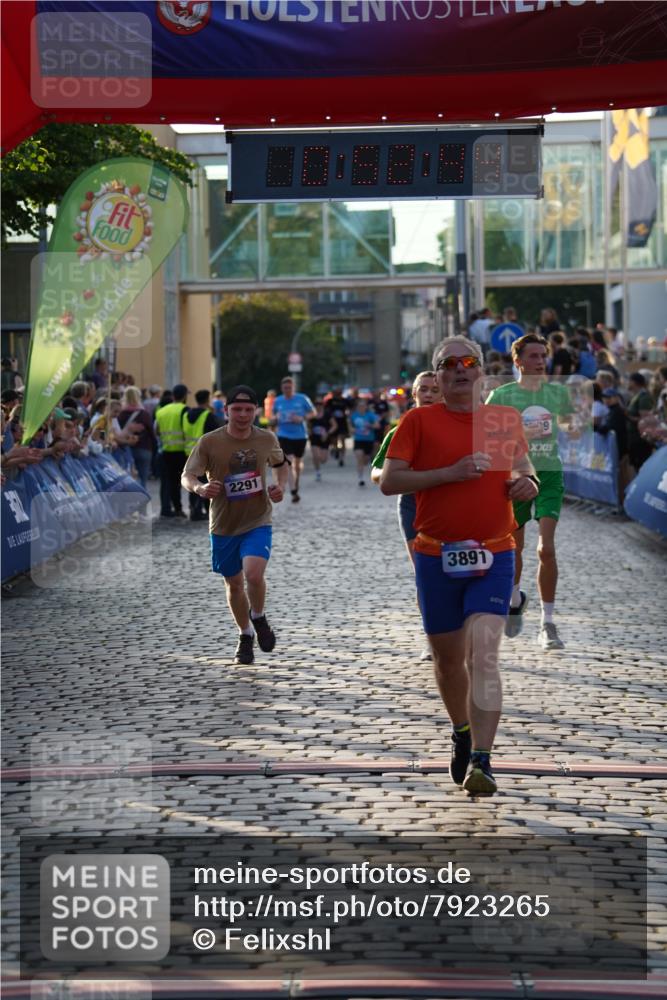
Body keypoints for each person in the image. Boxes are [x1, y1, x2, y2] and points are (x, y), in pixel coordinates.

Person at [380, 336, 537, 796]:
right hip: (435, 555)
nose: (459, 369)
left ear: (482, 371)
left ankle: (483, 762)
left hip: (494, 552)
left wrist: (524, 483)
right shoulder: (418, 421)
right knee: (450, 664)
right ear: (439, 374)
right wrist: (449, 473)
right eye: (448, 364)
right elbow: (390, 481)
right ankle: (462, 732)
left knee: (485, 653)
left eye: (469, 362)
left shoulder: (502, 420)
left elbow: (522, 468)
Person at [181, 385, 288, 665]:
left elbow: (281, 463)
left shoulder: (266, 438)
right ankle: (245, 634)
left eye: (248, 410)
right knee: (234, 584)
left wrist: (281, 486)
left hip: (258, 519)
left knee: (253, 575)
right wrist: (200, 488)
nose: (242, 415)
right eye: (237, 409)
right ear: (226, 411)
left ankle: (259, 615)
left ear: (256, 411)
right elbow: (187, 475)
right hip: (223, 524)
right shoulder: (210, 441)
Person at [486, 333, 576, 652]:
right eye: (534, 356)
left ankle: (547, 623)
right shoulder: (501, 395)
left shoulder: (556, 393)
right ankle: (514, 600)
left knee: (545, 550)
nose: (540, 361)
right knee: (515, 548)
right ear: (518, 360)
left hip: (549, 474)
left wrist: (573, 423)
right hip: (515, 476)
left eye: (543, 356)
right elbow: (487, 434)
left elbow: (572, 427)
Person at [371, 370, 442, 661]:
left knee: (454, 572)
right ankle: (433, 638)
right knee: (425, 575)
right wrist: (389, 476)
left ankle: (459, 631)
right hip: (412, 505)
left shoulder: (458, 427)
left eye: (434, 390)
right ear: (414, 395)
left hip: (446, 505)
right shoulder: (400, 430)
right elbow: (377, 471)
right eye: (423, 389)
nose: (428, 394)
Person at [271, 376, 316, 503]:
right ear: (282, 388)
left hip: (300, 436)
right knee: (288, 462)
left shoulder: (302, 398)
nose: (287, 390)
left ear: (293, 388)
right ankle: (293, 490)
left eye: (289, 388)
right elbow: (272, 416)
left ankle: (296, 482)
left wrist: (303, 418)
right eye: (285, 388)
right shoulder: (278, 401)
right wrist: (275, 417)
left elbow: (314, 412)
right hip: (284, 435)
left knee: (297, 463)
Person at [183, 389, 220, 520]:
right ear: (207, 399)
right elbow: (216, 433)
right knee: (205, 482)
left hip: (188, 451)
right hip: (205, 454)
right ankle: (204, 510)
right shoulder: (207, 415)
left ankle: (193, 509)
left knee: (192, 480)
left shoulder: (186, 414)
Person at [154, 383, 189, 518]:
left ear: (173, 395)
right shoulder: (185, 410)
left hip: (166, 451)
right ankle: (178, 508)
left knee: (167, 481)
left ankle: (166, 509)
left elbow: (156, 430)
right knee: (180, 482)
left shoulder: (161, 411)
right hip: (181, 452)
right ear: (184, 396)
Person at [118, 386, 156, 489]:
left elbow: (117, 431)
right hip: (144, 449)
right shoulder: (144, 414)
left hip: (125, 448)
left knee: (128, 478)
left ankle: (131, 499)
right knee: (142, 478)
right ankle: (141, 500)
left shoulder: (120, 414)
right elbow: (151, 433)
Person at [626, 372, 654, 472]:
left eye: (629, 381)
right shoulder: (636, 395)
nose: (627, 383)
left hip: (640, 440)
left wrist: (626, 415)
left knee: (641, 467)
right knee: (635, 466)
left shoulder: (644, 396)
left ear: (634, 382)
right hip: (634, 438)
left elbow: (646, 420)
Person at [350, 397, 380, 486]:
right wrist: (352, 430)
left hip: (369, 440)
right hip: (358, 440)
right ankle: (361, 478)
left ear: (366, 407)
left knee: (365, 461)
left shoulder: (370, 415)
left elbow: (377, 425)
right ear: (357, 407)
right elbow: (350, 426)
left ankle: (364, 466)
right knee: (359, 457)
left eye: (363, 406)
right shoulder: (354, 415)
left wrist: (370, 425)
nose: (361, 407)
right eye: (360, 406)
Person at [308, 400, 336, 481]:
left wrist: (327, 433)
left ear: (322, 406)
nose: (318, 406)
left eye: (320, 405)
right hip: (314, 438)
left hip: (325, 438)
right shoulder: (312, 414)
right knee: (316, 456)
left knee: (323, 460)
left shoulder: (327, 414)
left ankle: (329, 453)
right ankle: (318, 472)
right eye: (316, 405)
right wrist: (309, 431)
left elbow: (334, 426)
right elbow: (308, 425)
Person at [324, 388, 352, 465]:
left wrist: (348, 414)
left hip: (342, 422)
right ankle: (335, 449)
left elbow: (350, 409)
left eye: (339, 393)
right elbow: (326, 410)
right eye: (335, 393)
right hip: (333, 423)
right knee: (334, 440)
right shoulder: (330, 401)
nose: (337, 394)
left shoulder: (345, 401)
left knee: (342, 439)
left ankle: (342, 457)